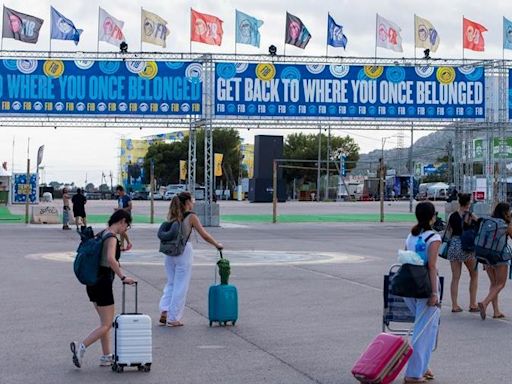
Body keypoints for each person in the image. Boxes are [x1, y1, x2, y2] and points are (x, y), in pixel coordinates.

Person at [70, 210, 136, 368]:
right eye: (127, 226)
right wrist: (123, 277)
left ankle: (106, 356)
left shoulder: (101, 234)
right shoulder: (112, 237)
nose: (125, 229)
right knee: (107, 324)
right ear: (122, 221)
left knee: (103, 323)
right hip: (103, 283)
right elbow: (111, 259)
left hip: (92, 283)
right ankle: (81, 347)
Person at [158, 191, 223, 327]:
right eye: (192, 200)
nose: (193, 202)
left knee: (171, 283)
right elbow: (204, 235)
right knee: (181, 285)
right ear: (187, 202)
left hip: (169, 253)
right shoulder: (191, 217)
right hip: (183, 252)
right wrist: (217, 244)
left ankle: (164, 310)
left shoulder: (173, 215)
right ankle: (173, 317)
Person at [403, 201, 441, 383]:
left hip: (408, 285)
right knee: (423, 331)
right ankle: (413, 374)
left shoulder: (411, 235)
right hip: (425, 286)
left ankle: (423, 366)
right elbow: (432, 266)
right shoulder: (433, 237)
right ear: (432, 217)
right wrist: (434, 293)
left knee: (426, 328)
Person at [478, 202, 512, 320]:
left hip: (486, 257)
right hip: (500, 257)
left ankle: (496, 311)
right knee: (500, 284)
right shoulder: (505, 225)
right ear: (505, 212)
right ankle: (485, 303)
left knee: (493, 284)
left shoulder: (489, 222)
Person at [445, 193, 479, 313]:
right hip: (467, 246)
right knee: (474, 274)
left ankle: (454, 305)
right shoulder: (470, 215)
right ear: (468, 203)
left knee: (455, 277)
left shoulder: (452, 215)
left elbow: (448, 231)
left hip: (454, 245)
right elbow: (479, 225)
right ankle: (473, 304)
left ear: (459, 202)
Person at [115, 185, 132, 251]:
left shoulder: (127, 197)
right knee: (121, 231)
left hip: (127, 216)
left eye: (119, 192)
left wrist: (122, 210)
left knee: (122, 230)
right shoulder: (119, 198)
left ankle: (128, 243)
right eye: (118, 193)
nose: (118, 194)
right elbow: (120, 207)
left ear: (122, 191)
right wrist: (118, 210)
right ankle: (122, 246)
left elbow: (130, 207)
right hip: (121, 216)